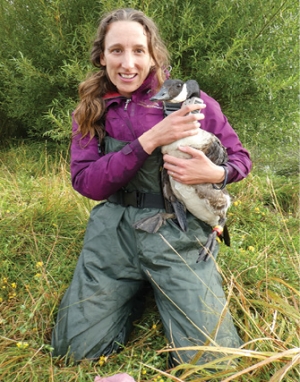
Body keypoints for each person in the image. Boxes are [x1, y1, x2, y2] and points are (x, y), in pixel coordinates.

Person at [51, 8, 252, 366]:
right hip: (114, 234)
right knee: (73, 351)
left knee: (211, 362)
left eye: (138, 50)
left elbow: (241, 159)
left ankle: (162, 285)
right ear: (101, 56)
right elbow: (87, 183)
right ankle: (132, 290)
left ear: (153, 54)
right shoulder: (90, 112)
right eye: (116, 51)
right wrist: (147, 141)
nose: (128, 63)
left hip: (178, 232)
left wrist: (214, 172)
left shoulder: (194, 102)